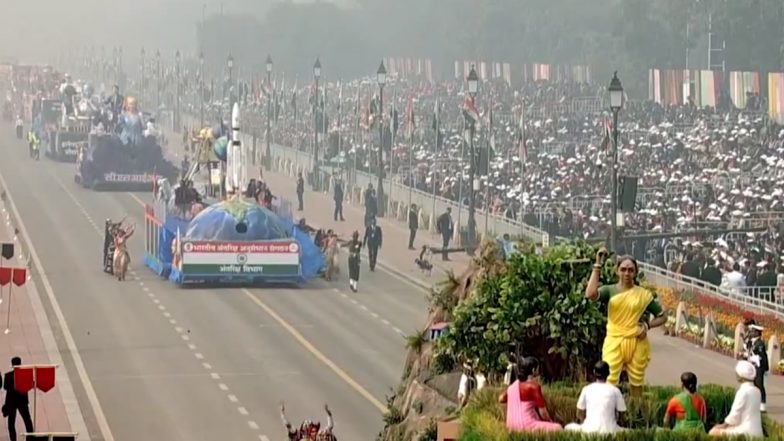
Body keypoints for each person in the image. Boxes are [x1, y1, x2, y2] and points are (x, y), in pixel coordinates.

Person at [584, 249, 667, 396]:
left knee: (636, 381)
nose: (627, 273)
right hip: (614, 339)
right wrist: (598, 264)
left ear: (635, 272)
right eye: (623, 269)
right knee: (609, 380)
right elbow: (590, 294)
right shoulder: (609, 290)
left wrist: (647, 326)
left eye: (630, 270)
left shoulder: (643, 294)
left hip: (636, 339)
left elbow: (662, 316)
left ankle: (636, 413)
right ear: (617, 271)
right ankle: (609, 412)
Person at [499, 356, 562, 433]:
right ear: (533, 370)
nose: (539, 371)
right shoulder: (533, 386)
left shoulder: (512, 387)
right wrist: (551, 422)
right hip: (526, 426)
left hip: (511, 426)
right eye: (538, 369)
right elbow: (543, 413)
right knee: (558, 428)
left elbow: (501, 399)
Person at [565, 360, 626, 434]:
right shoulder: (615, 390)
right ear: (608, 373)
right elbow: (622, 414)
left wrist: (585, 424)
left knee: (568, 427)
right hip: (611, 431)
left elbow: (579, 413)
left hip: (588, 430)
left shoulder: (587, 389)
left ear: (594, 372)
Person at [708, 360, 763, 437]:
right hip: (757, 431)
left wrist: (723, 425)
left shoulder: (743, 392)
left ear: (741, 376)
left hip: (745, 431)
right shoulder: (757, 391)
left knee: (713, 432)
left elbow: (735, 414)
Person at [3, 357, 34, 441]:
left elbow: (5, 387)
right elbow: (30, 385)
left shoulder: (8, 375)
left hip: (11, 402)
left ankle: (13, 439)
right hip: (22, 401)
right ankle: (30, 438)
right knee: (27, 420)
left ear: (12, 365)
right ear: (20, 364)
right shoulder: (25, 375)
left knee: (11, 423)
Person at [743, 324, 769, 412]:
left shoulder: (760, 343)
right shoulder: (752, 342)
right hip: (752, 366)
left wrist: (766, 368)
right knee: (753, 385)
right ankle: (754, 403)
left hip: (759, 367)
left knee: (759, 385)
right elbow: (747, 349)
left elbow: (762, 357)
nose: (751, 333)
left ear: (757, 333)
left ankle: (763, 404)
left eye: (753, 331)